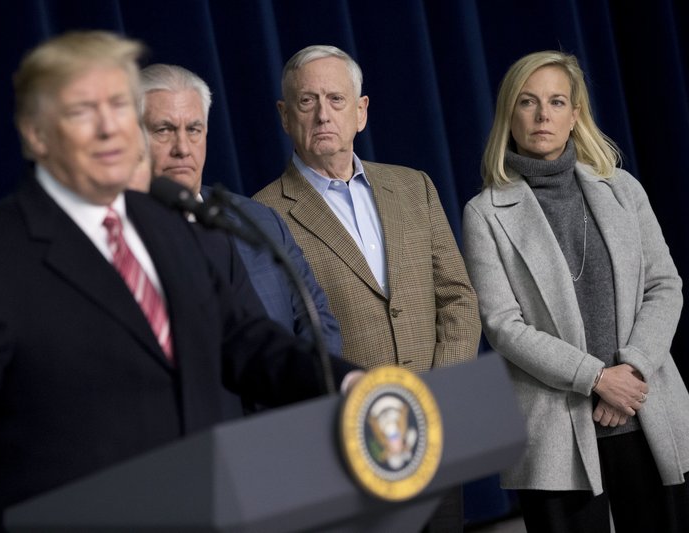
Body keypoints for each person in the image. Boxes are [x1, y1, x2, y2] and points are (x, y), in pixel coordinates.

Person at [0, 31, 358, 532]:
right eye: (82, 112)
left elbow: (244, 341)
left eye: (118, 107)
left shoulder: (177, 227)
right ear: (36, 133)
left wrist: (347, 382)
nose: (108, 129)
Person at [253, 45, 481, 533]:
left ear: (361, 111)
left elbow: (457, 297)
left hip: (433, 431)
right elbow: (279, 343)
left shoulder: (413, 186)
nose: (322, 114)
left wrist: (442, 393)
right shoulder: (263, 216)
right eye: (307, 100)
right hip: (347, 444)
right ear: (284, 114)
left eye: (336, 99)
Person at [462, 50, 689, 533]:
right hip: (553, 426)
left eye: (556, 101)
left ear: (575, 114)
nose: (543, 115)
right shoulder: (484, 213)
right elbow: (503, 326)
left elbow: (664, 285)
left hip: (643, 405)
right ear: (509, 115)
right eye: (528, 102)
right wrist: (596, 378)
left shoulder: (623, 189)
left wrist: (629, 371)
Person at [134, 63, 342, 357]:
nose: (182, 147)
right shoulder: (119, 239)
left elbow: (316, 318)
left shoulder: (260, 220)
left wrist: (305, 392)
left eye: (193, 129)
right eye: (163, 130)